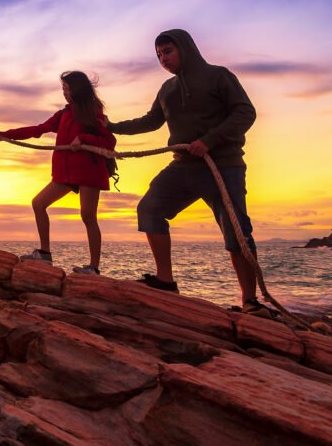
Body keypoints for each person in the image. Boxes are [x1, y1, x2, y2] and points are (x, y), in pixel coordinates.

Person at [107, 29, 268, 315]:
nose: (163, 59)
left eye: (167, 51)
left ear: (185, 47)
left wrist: (210, 140)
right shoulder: (167, 89)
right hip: (182, 167)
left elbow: (245, 112)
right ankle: (165, 281)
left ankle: (250, 301)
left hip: (223, 165)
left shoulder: (219, 76)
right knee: (149, 209)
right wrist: (111, 127)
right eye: (158, 55)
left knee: (236, 230)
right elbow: (150, 121)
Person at [0, 71, 116, 271]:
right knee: (38, 203)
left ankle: (93, 267)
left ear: (78, 90)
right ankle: (45, 254)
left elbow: (110, 142)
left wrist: (85, 139)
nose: (64, 93)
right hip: (66, 173)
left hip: (89, 171)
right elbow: (38, 129)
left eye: (67, 89)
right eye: (63, 89)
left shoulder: (94, 112)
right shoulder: (63, 114)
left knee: (87, 216)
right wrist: (7, 135)